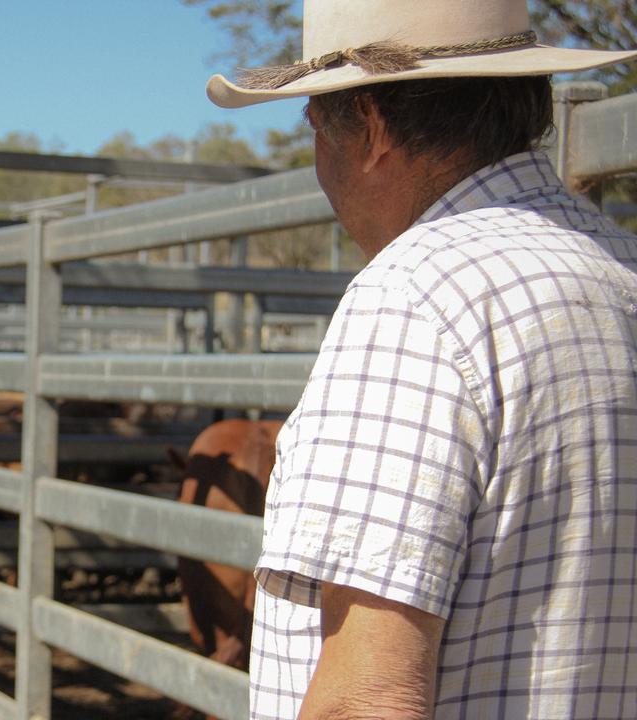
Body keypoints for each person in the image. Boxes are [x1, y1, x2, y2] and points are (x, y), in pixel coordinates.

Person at [205, 1, 637, 718]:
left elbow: (368, 696)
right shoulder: (622, 267)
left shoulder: (413, 298)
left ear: (370, 128)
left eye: (317, 127)